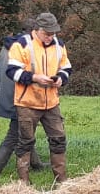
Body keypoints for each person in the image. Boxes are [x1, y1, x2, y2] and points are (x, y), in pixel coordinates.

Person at [6, 12, 72, 184]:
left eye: (53, 33)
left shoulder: (59, 45)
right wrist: (34, 78)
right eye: (47, 33)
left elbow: (66, 67)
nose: (50, 37)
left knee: (58, 139)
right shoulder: (21, 44)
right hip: (27, 103)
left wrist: (61, 78)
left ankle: (62, 180)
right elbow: (12, 71)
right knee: (26, 141)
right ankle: (24, 182)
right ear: (37, 30)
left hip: (51, 102)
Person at [0, 28, 44, 176]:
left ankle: (36, 164)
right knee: (14, 136)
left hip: (7, 98)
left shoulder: (5, 49)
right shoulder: (27, 49)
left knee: (25, 131)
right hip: (22, 99)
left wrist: (0, 98)